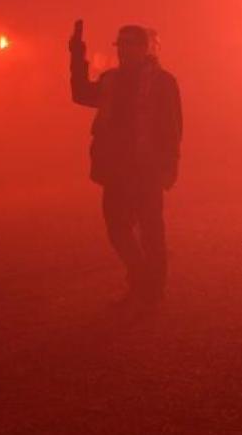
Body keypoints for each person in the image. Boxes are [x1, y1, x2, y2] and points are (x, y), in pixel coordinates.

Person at [70, 21, 182, 311]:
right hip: (116, 167)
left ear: (145, 49)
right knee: (117, 227)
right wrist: (76, 56)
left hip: (146, 168)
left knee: (151, 230)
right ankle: (143, 278)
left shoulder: (163, 82)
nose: (123, 51)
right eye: (120, 45)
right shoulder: (111, 80)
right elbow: (81, 94)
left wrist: (169, 165)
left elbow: (172, 128)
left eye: (130, 45)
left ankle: (150, 290)